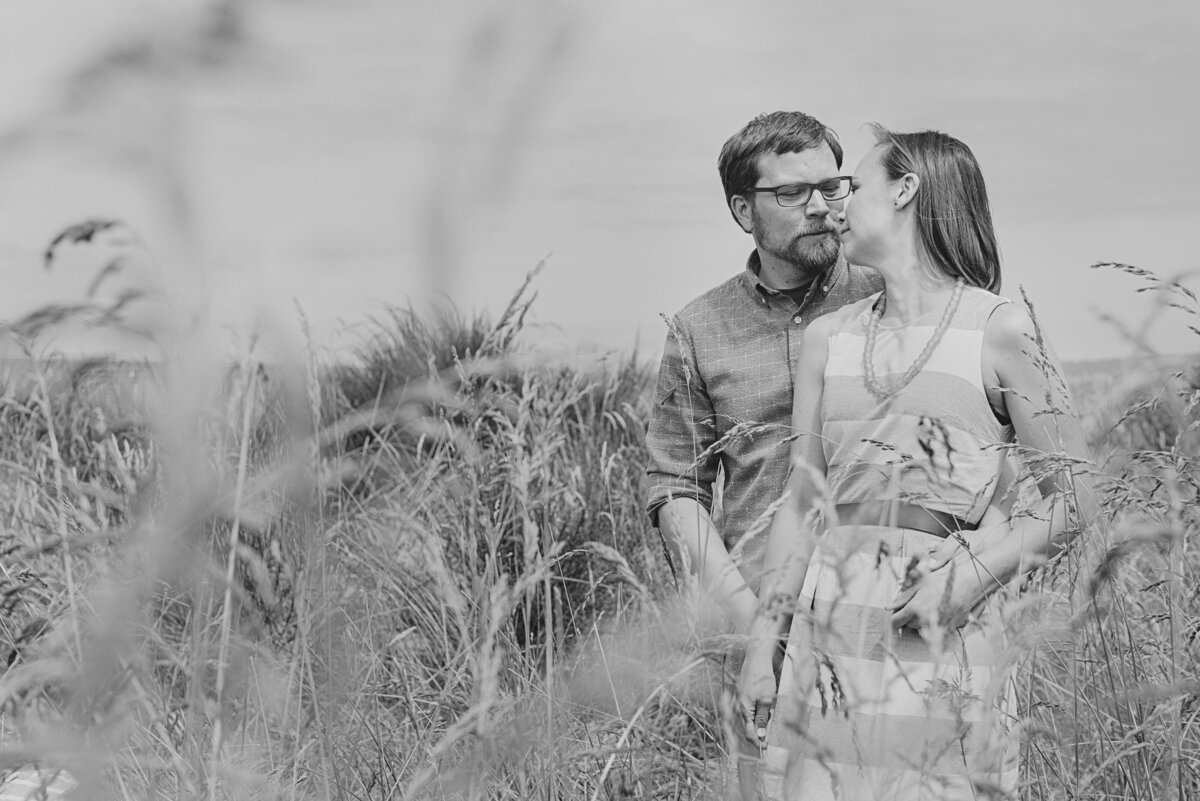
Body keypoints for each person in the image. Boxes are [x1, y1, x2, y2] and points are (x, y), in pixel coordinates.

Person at [736, 126, 1094, 799]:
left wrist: (970, 577)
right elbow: (801, 503)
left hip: (939, 633)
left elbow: (1076, 496)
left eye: (855, 184)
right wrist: (764, 647)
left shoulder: (1001, 329)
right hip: (827, 639)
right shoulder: (827, 338)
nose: (835, 204)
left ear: (906, 190)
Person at [643, 110, 882, 794]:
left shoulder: (887, 294)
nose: (819, 206)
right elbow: (675, 489)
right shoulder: (698, 329)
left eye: (831, 187)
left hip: (882, 611)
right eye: (791, 193)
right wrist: (755, 627)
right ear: (743, 210)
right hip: (752, 625)